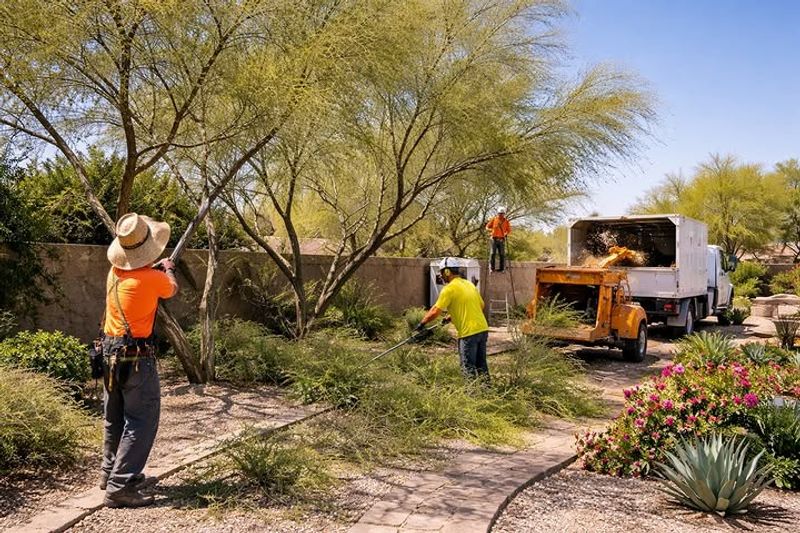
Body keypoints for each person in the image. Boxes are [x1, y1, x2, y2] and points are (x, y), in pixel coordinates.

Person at [100, 213, 178, 508]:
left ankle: (111, 474)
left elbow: (137, 274)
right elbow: (171, 288)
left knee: (115, 417)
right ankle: (120, 487)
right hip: (135, 358)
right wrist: (168, 268)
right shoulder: (154, 279)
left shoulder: (113, 273)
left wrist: (152, 268)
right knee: (142, 419)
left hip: (109, 353)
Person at [416, 257, 490, 378]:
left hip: (468, 333)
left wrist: (421, 324)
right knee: (481, 365)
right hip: (482, 329)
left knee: (468, 367)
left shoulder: (448, 289)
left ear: (447, 272)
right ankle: (487, 391)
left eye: (441, 272)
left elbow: (435, 311)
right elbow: (481, 305)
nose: (441, 276)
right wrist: (450, 317)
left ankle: (471, 395)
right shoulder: (469, 284)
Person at [485, 207, 511, 272]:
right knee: (492, 253)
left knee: (502, 254)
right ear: (498, 213)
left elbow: (509, 230)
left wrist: (505, 233)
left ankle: (502, 269)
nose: (501, 215)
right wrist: (492, 230)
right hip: (494, 239)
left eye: (502, 214)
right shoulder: (494, 219)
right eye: (500, 213)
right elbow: (487, 227)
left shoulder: (506, 221)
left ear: (504, 214)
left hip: (501, 239)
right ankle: (491, 268)